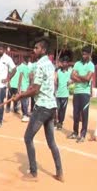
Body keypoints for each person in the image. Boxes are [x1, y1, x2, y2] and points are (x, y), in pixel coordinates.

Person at [13, 38, 63, 182]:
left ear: (43, 50)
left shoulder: (40, 65)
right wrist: (25, 91)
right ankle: (60, 172)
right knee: (51, 142)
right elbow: (38, 85)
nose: (34, 50)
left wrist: (21, 95)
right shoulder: (50, 65)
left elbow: (35, 89)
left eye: (36, 48)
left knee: (28, 138)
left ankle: (33, 172)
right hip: (51, 106)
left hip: (42, 107)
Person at [68, 46, 95, 143]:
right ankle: (75, 132)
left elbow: (88, 79)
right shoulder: (77, 64)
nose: (83, 55)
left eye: (85, 54)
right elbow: (72, 75)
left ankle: (82, 134)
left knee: (84, 114)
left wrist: (77, 76)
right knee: (75, 114)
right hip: (77, 92)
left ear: (89, 55)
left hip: (85, 93)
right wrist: (81, 79)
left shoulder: (91, 65)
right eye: (82, 53)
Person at [0, 44, 16, 127]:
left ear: (4, 50)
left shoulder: (8, 59)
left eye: (1, 49)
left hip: (2, 85)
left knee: (1, 103)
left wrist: (8, 79)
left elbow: (14, 69)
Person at [55, 56, 72, 130]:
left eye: (66, 62)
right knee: (57, 109)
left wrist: (71, 82)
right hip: (58, 94)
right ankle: (56, 121)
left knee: (63, 110)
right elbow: (55, 80)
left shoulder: (70, 71)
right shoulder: (58, 71)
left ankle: (60, 123)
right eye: (63, 62)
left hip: (65, 94)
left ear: (68, 63)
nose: (64, 63)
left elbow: (74, 78)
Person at [18, 56, 31, 122]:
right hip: (27, 86)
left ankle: (25, 114)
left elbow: (20, 77)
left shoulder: (22, 67)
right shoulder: (28, 68)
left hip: (23, 87)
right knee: (26, 101)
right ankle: (25, 114)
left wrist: (18, 87)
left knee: (23, 102)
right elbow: (30, 77)